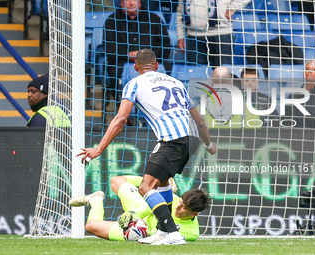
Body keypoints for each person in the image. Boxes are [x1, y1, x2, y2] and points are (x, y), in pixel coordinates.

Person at [77, 49, 216, 245]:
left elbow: (122, 118)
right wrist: (209, 144)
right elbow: (199, 121)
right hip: (191, 138)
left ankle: (172, 232)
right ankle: (162, 232)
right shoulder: (176, 83)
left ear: (135, 67)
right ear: (157, 65)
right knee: (163, 183)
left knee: (146, 187)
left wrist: (98, 149)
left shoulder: (134, 83)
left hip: (171, 137)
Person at [69, 175, 209, 241]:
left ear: (194, 214)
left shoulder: (191, 233)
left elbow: (159, 236)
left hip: (140, 231)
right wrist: (131, 213)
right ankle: (157, 184)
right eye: (180, 202)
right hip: (140, 208)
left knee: (91, 226)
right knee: (116, 181)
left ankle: (96, 199)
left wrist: (137, 226)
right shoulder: (173, 200)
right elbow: (147, 209)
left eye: (183, 207)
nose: (178, 207)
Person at [104, 0, 171, 103]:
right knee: (114, 72)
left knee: (166, 69)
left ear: (140, 2)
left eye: (134, 0)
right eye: (127, 0)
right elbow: (109, 46)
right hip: (121, 62)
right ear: (121, 2)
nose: (131, 3)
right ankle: (122, 109)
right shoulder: (112, 20)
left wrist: (146, 56)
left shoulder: (154, 19)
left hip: (150, 63)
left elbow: (165, 46)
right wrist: (127, 55)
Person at [176, 0, 251, 67]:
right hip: (193, 36)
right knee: (197, 75)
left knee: (222, 74)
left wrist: (233, 8)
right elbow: (180, 12)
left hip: (221, 34)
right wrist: (180, 36)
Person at [284, 59, 315, 129]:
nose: (310, 72)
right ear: (304, 73)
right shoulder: (293, 96)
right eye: (307, 69)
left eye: (314, 70)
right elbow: (286, 120)